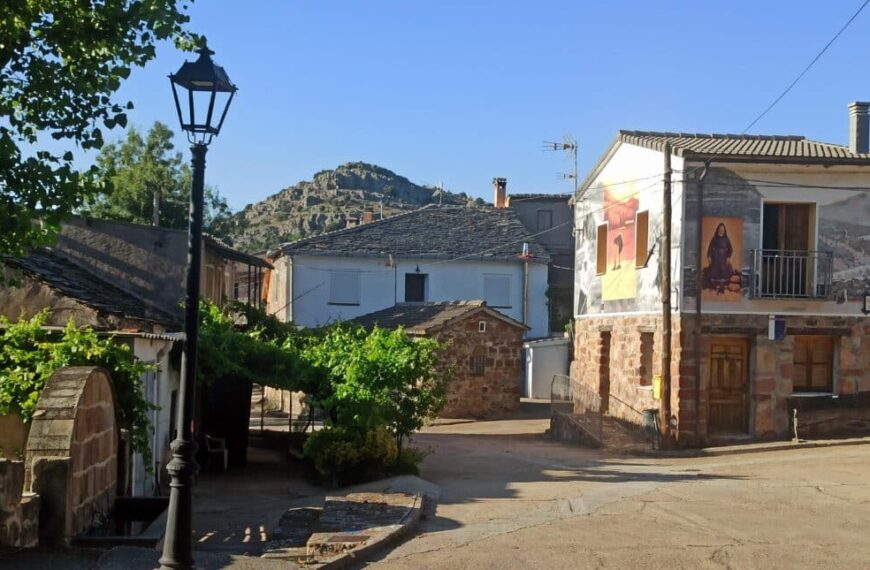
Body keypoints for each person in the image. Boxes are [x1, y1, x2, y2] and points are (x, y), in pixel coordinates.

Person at [706, 222, 734, 294]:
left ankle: (722, 287)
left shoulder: (726, 239)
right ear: (718, 229)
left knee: (723, 271)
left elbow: (730, 249)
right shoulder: (714, 238)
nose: (721, 230)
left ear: (724, 230)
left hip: (723, 258)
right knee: (713, 271)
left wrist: (728, 257)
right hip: (715, 257)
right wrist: (709, 256)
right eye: (720, 229)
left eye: (723, 229)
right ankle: (713, 287)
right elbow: (710, 248)